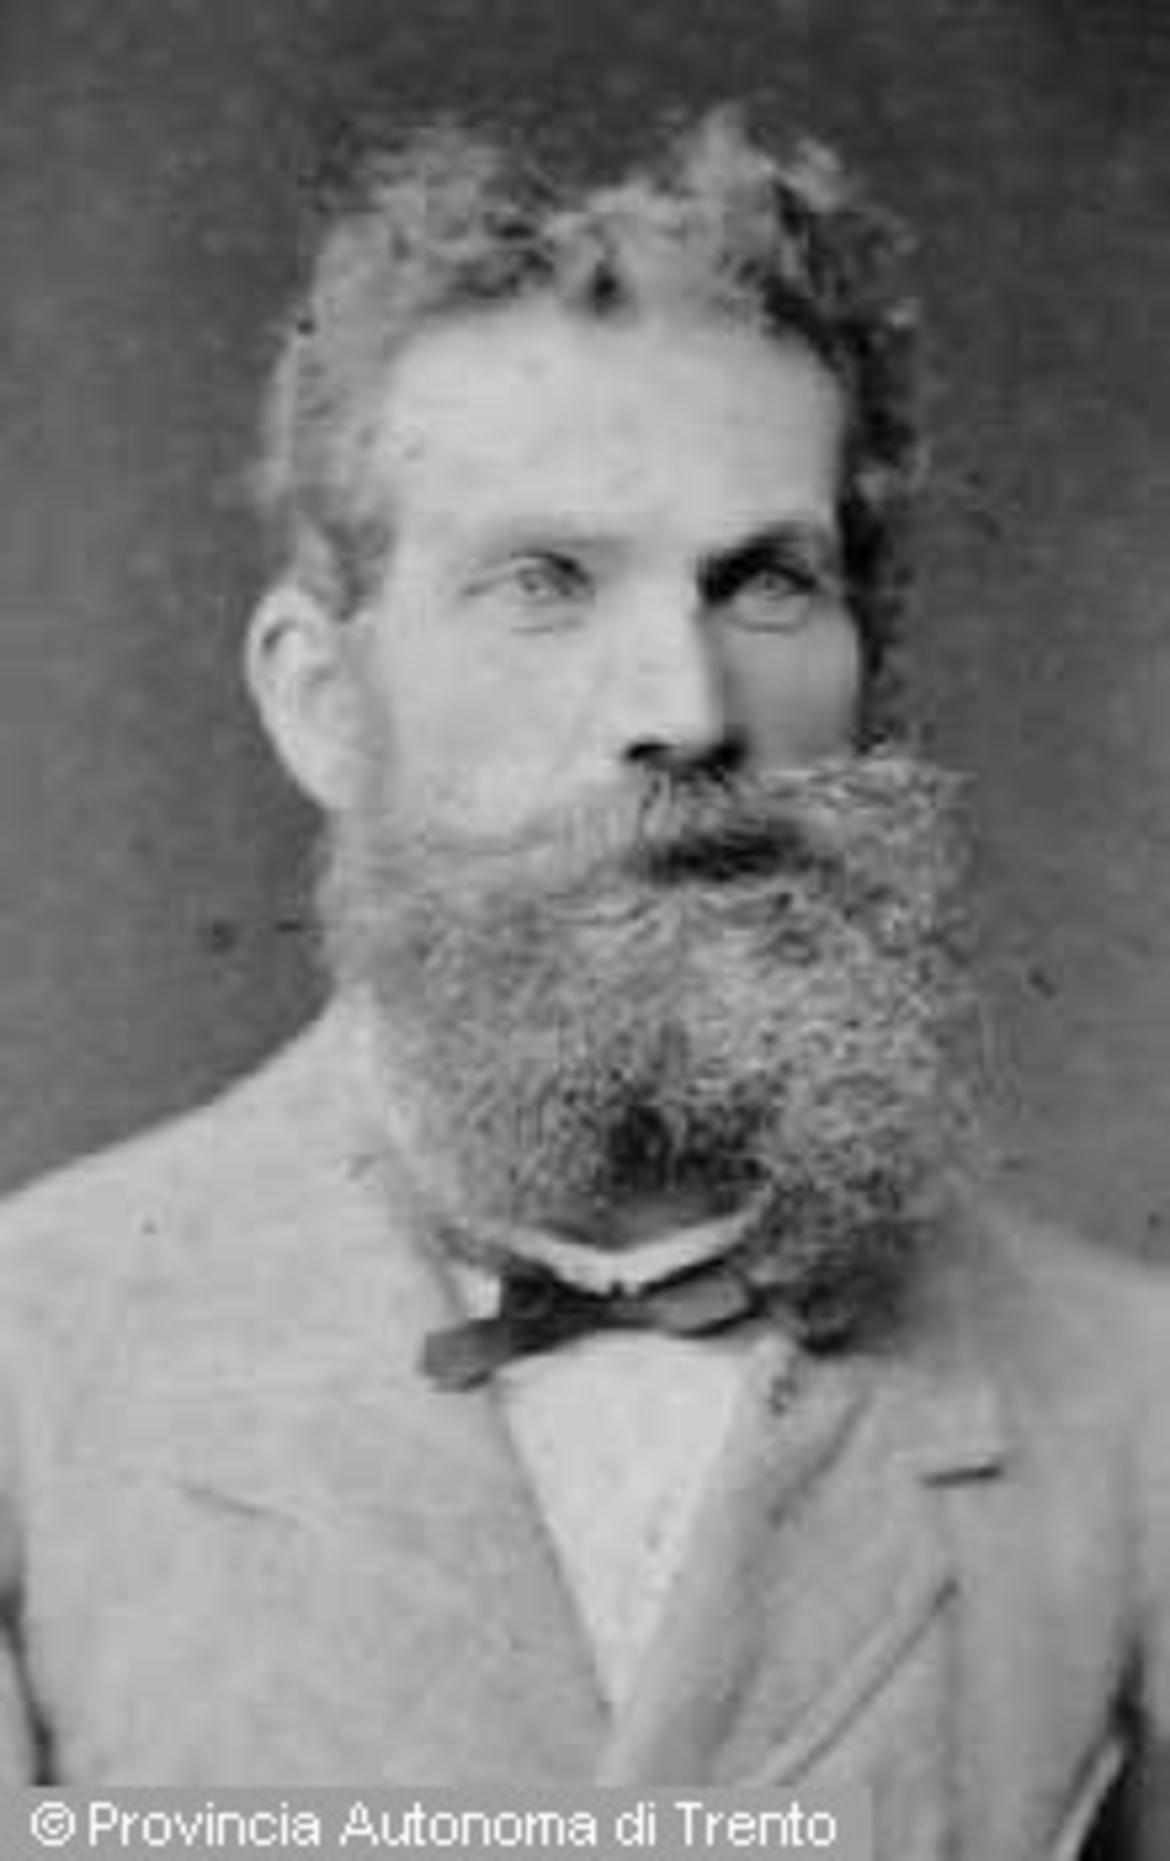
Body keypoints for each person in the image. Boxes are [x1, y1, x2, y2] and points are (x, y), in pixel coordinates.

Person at [0, 104, 1167, 1854]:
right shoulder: (29, 1368)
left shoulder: (1129, 1409)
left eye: (763, 582)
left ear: (867, 670)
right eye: (543, 581)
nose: (683, 712)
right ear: (322, 697)